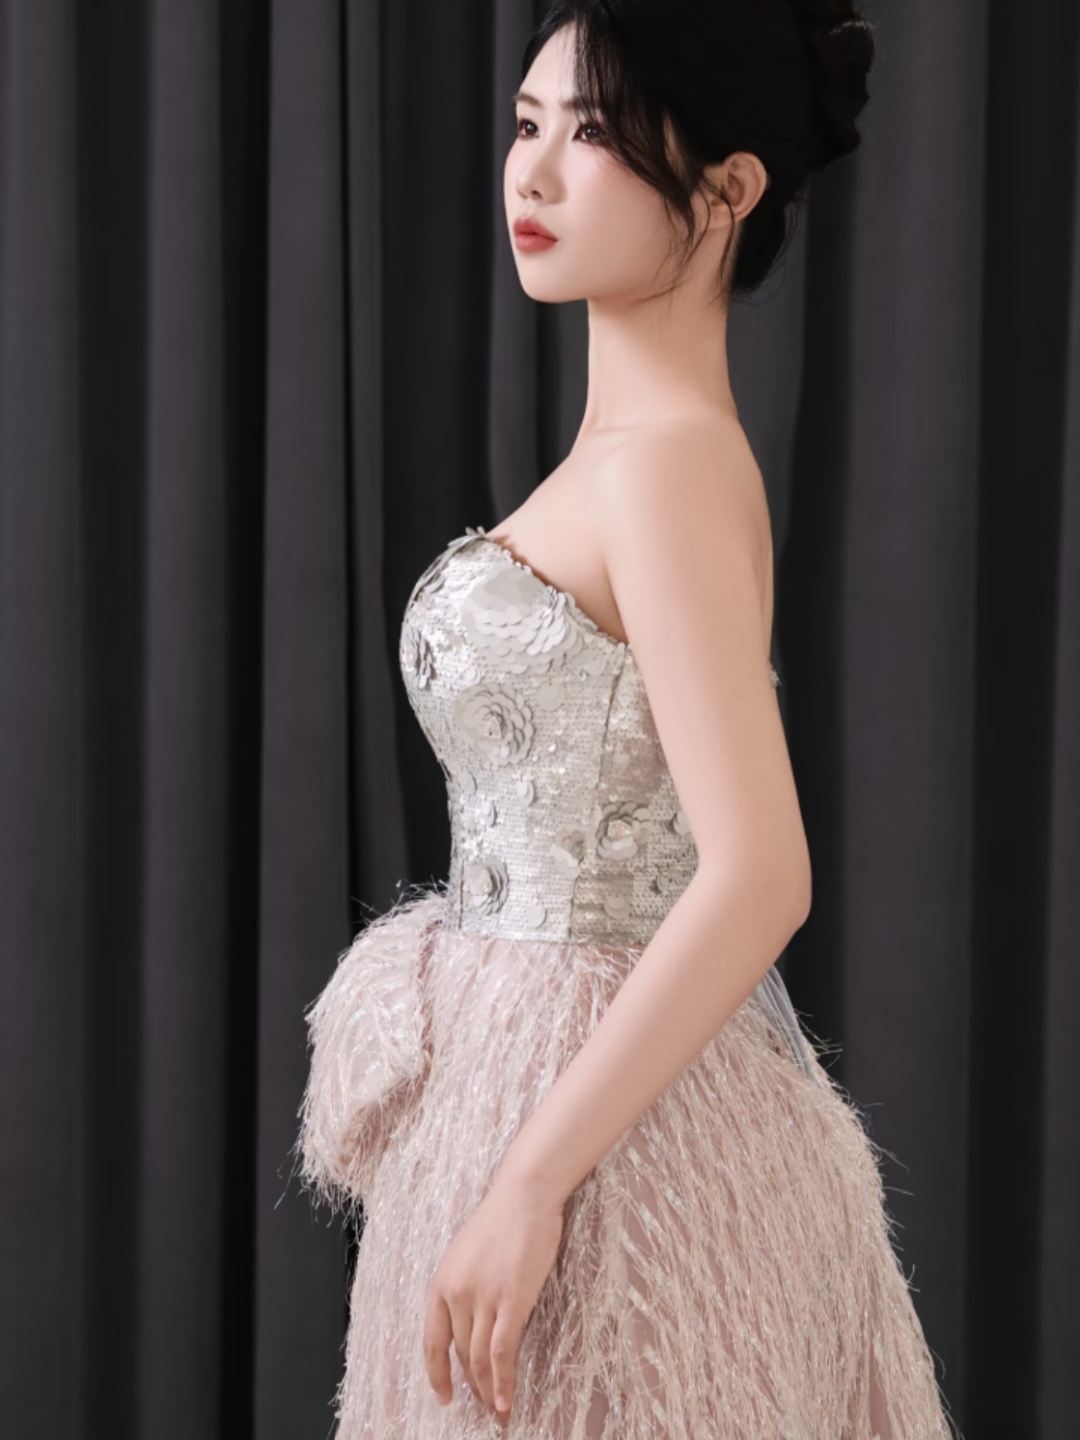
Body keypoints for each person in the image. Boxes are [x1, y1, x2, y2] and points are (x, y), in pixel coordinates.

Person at [296, 2, 962, 1436]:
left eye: (591, 134)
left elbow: (762, 871)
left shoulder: (665, 468)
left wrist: (534, 1182)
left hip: (609, 1134)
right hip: (517, 1074)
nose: (530, 174)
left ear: (728, 189)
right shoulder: (624, 459)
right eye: (526, 124)